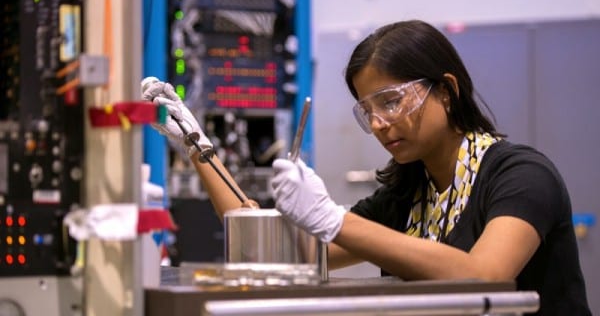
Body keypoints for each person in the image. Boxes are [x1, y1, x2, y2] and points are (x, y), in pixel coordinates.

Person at [142, 20, 590, 316]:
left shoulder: (521, 175)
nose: (378, 123)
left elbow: (487, 275)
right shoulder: (409, 194)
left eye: (392, 101)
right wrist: (200, 150)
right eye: (367, 110)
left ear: (447, 91)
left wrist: (332, 221)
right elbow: (274, 250)